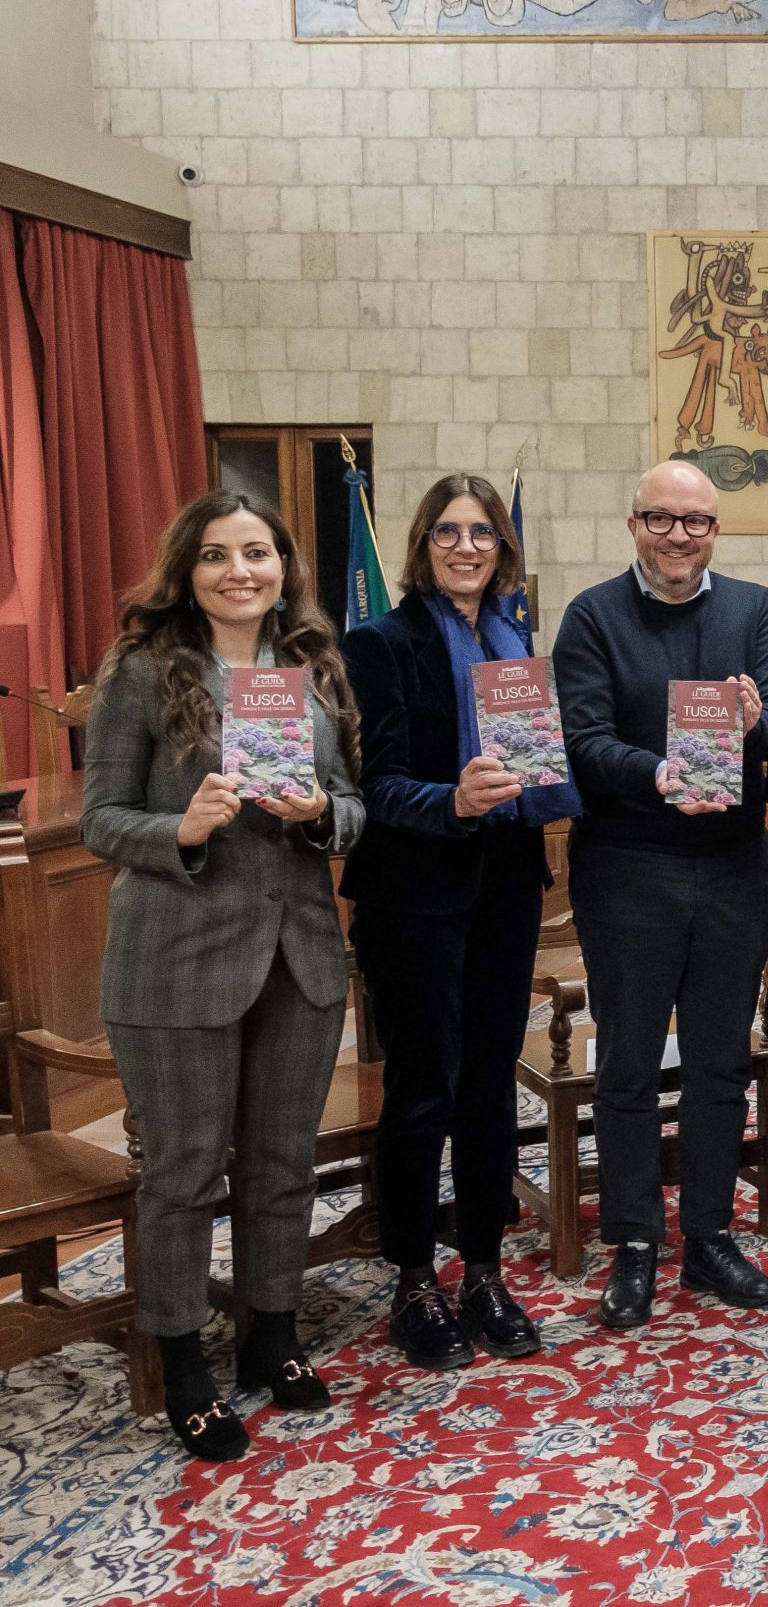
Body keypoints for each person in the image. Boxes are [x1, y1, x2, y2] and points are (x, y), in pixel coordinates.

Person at [82, 490, 365, 1461]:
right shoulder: (143, 670)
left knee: (284, 1163)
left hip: (299, 954)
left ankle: (271, 1334)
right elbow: (102, 819)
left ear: (286, 566)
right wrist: (184, 827)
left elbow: (353, 808)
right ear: (187, 571)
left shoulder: (314, 669)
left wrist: (318, 815)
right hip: (176, 960)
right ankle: (183, 1361)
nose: (239, 571)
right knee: (185, 1172)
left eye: (257, 553)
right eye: (216, 555)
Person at [342, 474, 580, 1371]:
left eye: (482, 532)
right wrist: (454, 800)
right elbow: (377, 786)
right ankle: (412, 1275)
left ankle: (482, 1268)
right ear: (422, 543)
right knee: (423, 1088)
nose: (467, 546)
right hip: (413, 897)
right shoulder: (381, 644)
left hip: (507, 890)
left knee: (487, 1083)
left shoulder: (517, 642)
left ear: (502, 547)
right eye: (448, 530)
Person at [552, 459, 768, 1329]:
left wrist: (760, 719)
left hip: (732, 865)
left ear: (715, 532)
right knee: (625, 1063)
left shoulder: (754, 610)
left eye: (696, 521)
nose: (679, 535)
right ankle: (635, 1243)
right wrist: (659, 771)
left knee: (719, 1062)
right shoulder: (591, 616)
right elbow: (581, 740)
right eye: (662, 518)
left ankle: (707, 1236)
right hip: (629, 867)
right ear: (634, 523)